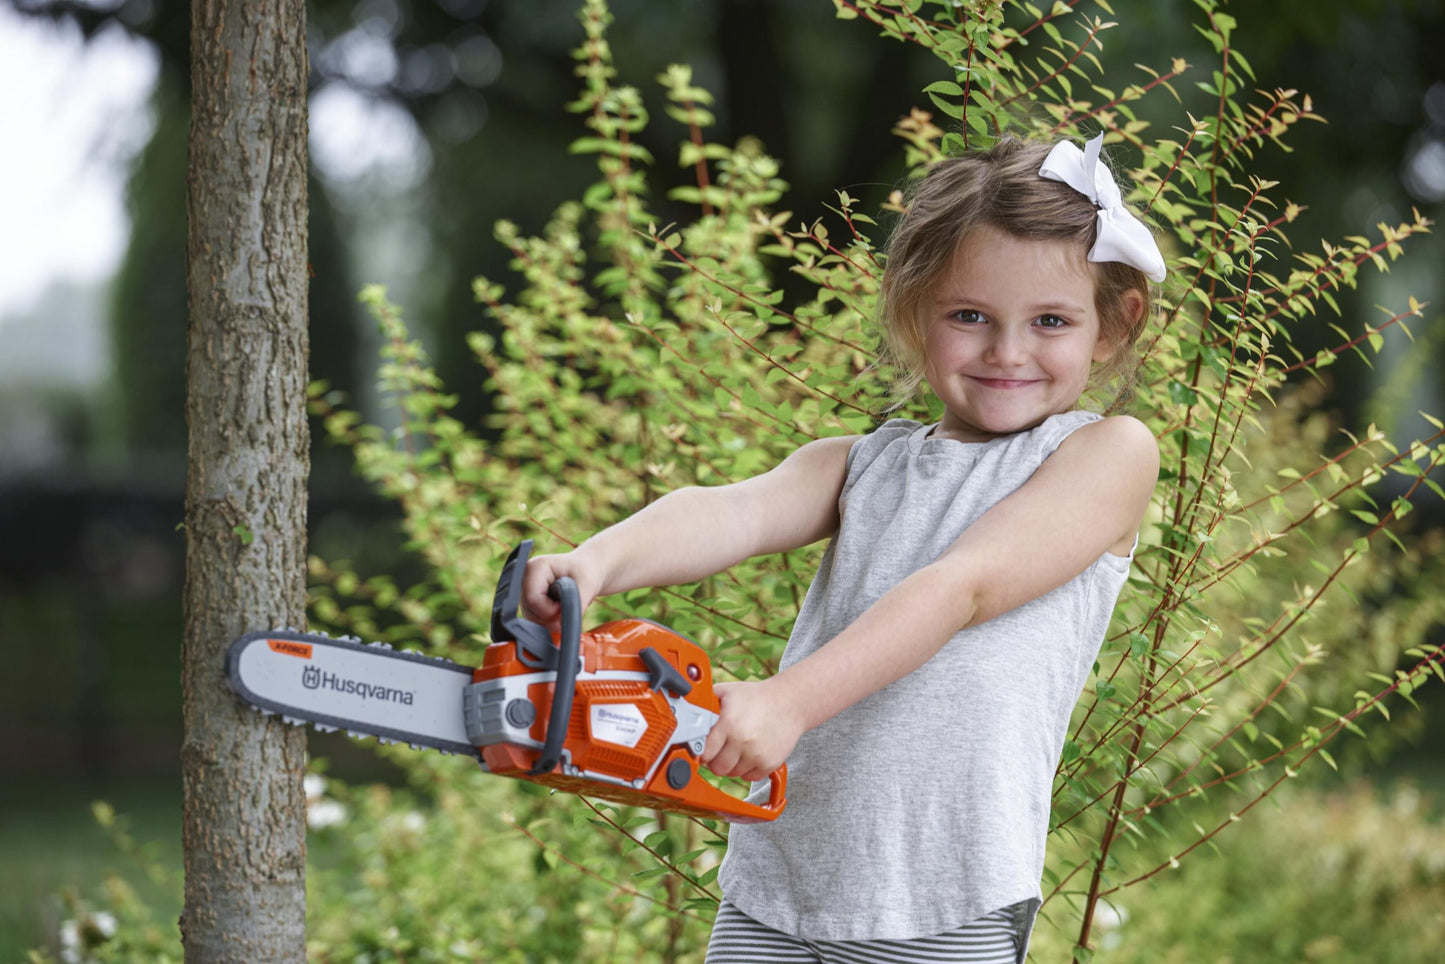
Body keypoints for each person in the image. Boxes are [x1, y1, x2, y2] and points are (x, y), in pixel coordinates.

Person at [521, 132, 1166, 964]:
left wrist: (788, 702)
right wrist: (594, 565)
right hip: (778, 884)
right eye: (969, 316)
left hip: (941, 897)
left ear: (1113, 326)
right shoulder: (860, 465)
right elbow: (730, 513)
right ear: (914, 311)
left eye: (1049, 321)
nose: (1007, 351)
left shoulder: (1105, 455)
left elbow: (962, 586)